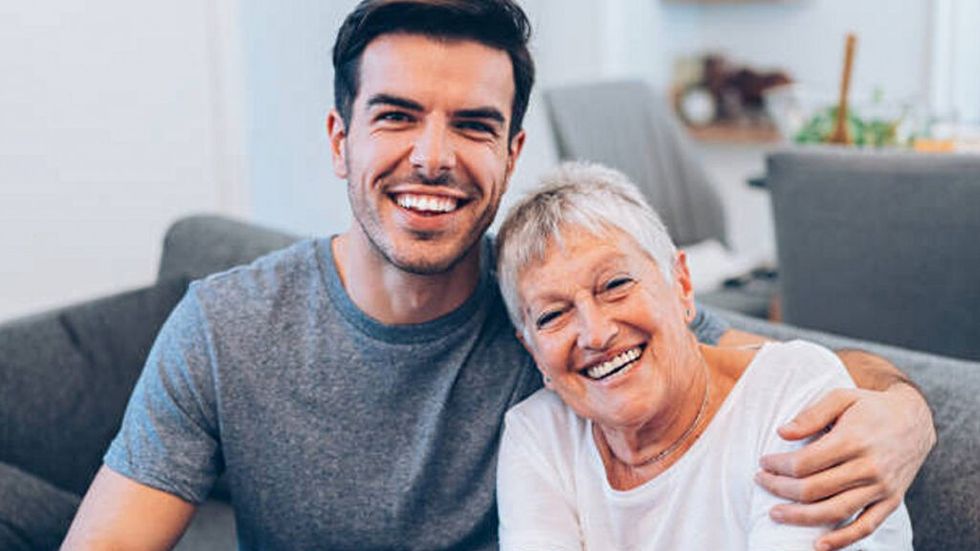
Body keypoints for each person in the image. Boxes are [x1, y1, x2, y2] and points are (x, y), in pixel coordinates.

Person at [62, 1, 934, 550]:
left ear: (511, 152)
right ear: (341, 139)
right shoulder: (224, 328)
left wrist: (904, 412)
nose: (433, 158)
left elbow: (763, 364)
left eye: (473, 125)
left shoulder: (558, 314)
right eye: (397, 116)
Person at [494, 162, 913, 550]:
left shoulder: (796, 394)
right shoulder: (537, 433)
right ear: (532, 349)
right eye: (552, 314)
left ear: (682, 285)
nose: (596, 333)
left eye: (616, 284)